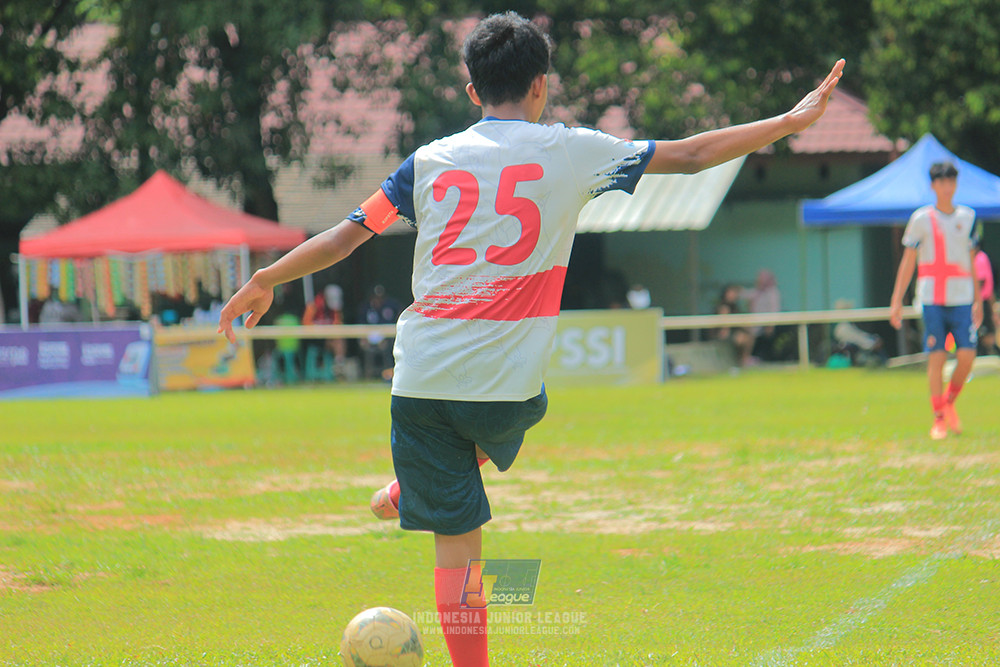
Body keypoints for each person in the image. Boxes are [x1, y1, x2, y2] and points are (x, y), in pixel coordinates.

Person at [217, 13, 844, 666]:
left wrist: (267, 275)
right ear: (541, 86)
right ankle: (422, 485)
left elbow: (347, 236)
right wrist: (785, 122)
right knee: (525, 406)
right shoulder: (572, 150)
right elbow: (687, 155)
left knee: (457, 554)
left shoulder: (426, 162)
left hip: (420, 382)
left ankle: (420, 493)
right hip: (506, 387)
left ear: (471, 91)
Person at [890, 161, 983, 440]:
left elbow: (972, 259)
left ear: (956, 185)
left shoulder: (968, 217)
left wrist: (979, 299)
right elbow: (909, 260)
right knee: (937, 355)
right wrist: (897, 299)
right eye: (941, 182)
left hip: (962, 295)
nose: (946, 187)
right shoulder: (921, 219)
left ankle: (949, 401)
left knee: (967, 355)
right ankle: (938, 417)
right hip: (931, 297)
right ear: (933, 186)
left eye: (951, 181)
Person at [742, 269, 782, 361]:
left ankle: (746, 358)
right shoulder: (757, 291)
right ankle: (745, 359)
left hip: (764, 324)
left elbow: (774, 310)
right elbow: (746, 295)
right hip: (755, 322)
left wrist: (770, 325)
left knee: (751, 333)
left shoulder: (772, 293)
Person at [713, 283, 753, 366]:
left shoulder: (735, 306)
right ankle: (741, 361)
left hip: (735, 331)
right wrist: (724, 330)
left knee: (749, 337)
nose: (733, 295)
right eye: (731, 293)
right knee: (741, 338)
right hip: (725, 334)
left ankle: (744, 360)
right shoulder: (723, 306)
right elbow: (724, 321)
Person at [973, 243, 1000, 354]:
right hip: (983, 301)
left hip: (981, 302)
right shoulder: (982, 257)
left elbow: (981, 282)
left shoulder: (979, 258)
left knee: (987, 336)